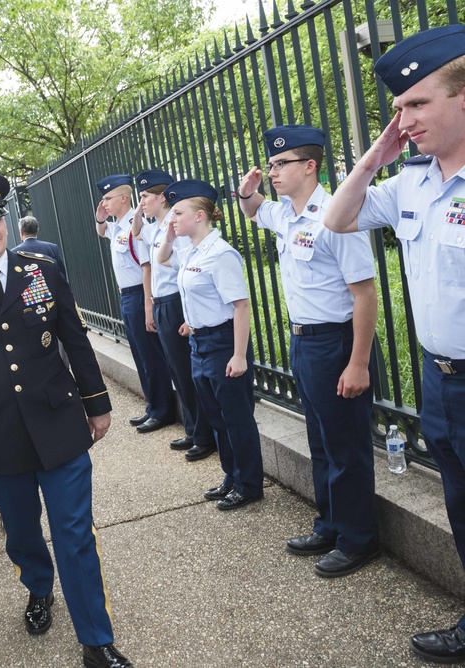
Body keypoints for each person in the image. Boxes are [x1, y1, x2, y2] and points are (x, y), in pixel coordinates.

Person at [0, 173, 132, 668]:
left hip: (59, 422)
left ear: (7, 221)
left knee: (75, 533)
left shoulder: (42, 269)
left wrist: (96, 402)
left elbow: (75, 338)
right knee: (21, 532)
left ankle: (96, 642)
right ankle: (38, 587)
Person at [322, 24, 465, 662]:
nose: (403, 119)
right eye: (399, 107)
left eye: (418, 103)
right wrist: (375, 157)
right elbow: (338, 217)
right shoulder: (412, 178)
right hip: (439, 381)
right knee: (460, 508)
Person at [238, 125, 380, 577]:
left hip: (336, 343)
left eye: (281, 164)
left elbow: (365, 294)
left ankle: (359, 539)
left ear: (310, 166)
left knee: (345, 446)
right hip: (303, 341)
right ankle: (331, 524)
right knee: (320, 442)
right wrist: (246, 195)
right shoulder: (284, 213)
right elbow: (254, 211)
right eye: (272, 165)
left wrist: (358, 362)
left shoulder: (335, 217)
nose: (273, 172)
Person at [153, 180, 265, 511]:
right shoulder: (189, 251)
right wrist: (194, 320)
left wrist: (239, 355)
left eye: (178, 213)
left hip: (223, 343)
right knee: (217, 417)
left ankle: (249, 484)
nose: (172, 219)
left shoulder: (220, 254)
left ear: (200, 216)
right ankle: (232, 476)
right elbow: (161, 259)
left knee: (236, 418)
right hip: (200, 342)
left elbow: (240, 306)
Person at [130, 169, 217, 461]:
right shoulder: (158, 227)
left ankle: (203, 434)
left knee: (188, 372)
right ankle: (194, 429)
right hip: (162, 301)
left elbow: (184, 269)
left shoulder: (176, 225)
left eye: (145, 196)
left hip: (177, 302)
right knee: (179, 372)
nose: (141, 202)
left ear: (162, 197)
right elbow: (136, 233)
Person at [95, 174, 177, 434]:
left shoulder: (134, 226)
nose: (104, 203)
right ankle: (153, 406)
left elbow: (147, 267)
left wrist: (147, 305)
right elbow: (101, 230)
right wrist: (100, 217)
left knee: (151, 357)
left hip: (139, 295)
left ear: (123, 198)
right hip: (126, 295)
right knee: (140, 356)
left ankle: (163, 410)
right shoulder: (117, 226)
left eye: (108, 198)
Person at [12, 215, 68, 280]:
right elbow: (61, 273)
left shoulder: (14, 253)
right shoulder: (52, 248)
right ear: (37, 230)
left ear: (21, 232)